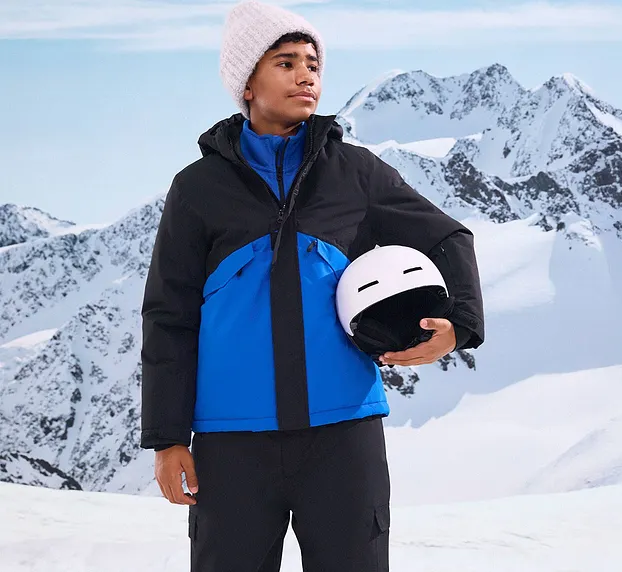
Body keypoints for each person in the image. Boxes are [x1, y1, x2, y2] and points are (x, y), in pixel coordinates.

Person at [136, 1, 485, 570]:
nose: (306, 76)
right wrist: (168, 438)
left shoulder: (355, 172)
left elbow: (447, 237)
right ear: (247, 84)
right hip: (232, 444)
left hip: (344, 437)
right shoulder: (197, 189)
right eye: (286, 63)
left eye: (313, 64)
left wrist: (461, 323)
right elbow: (168, 315)